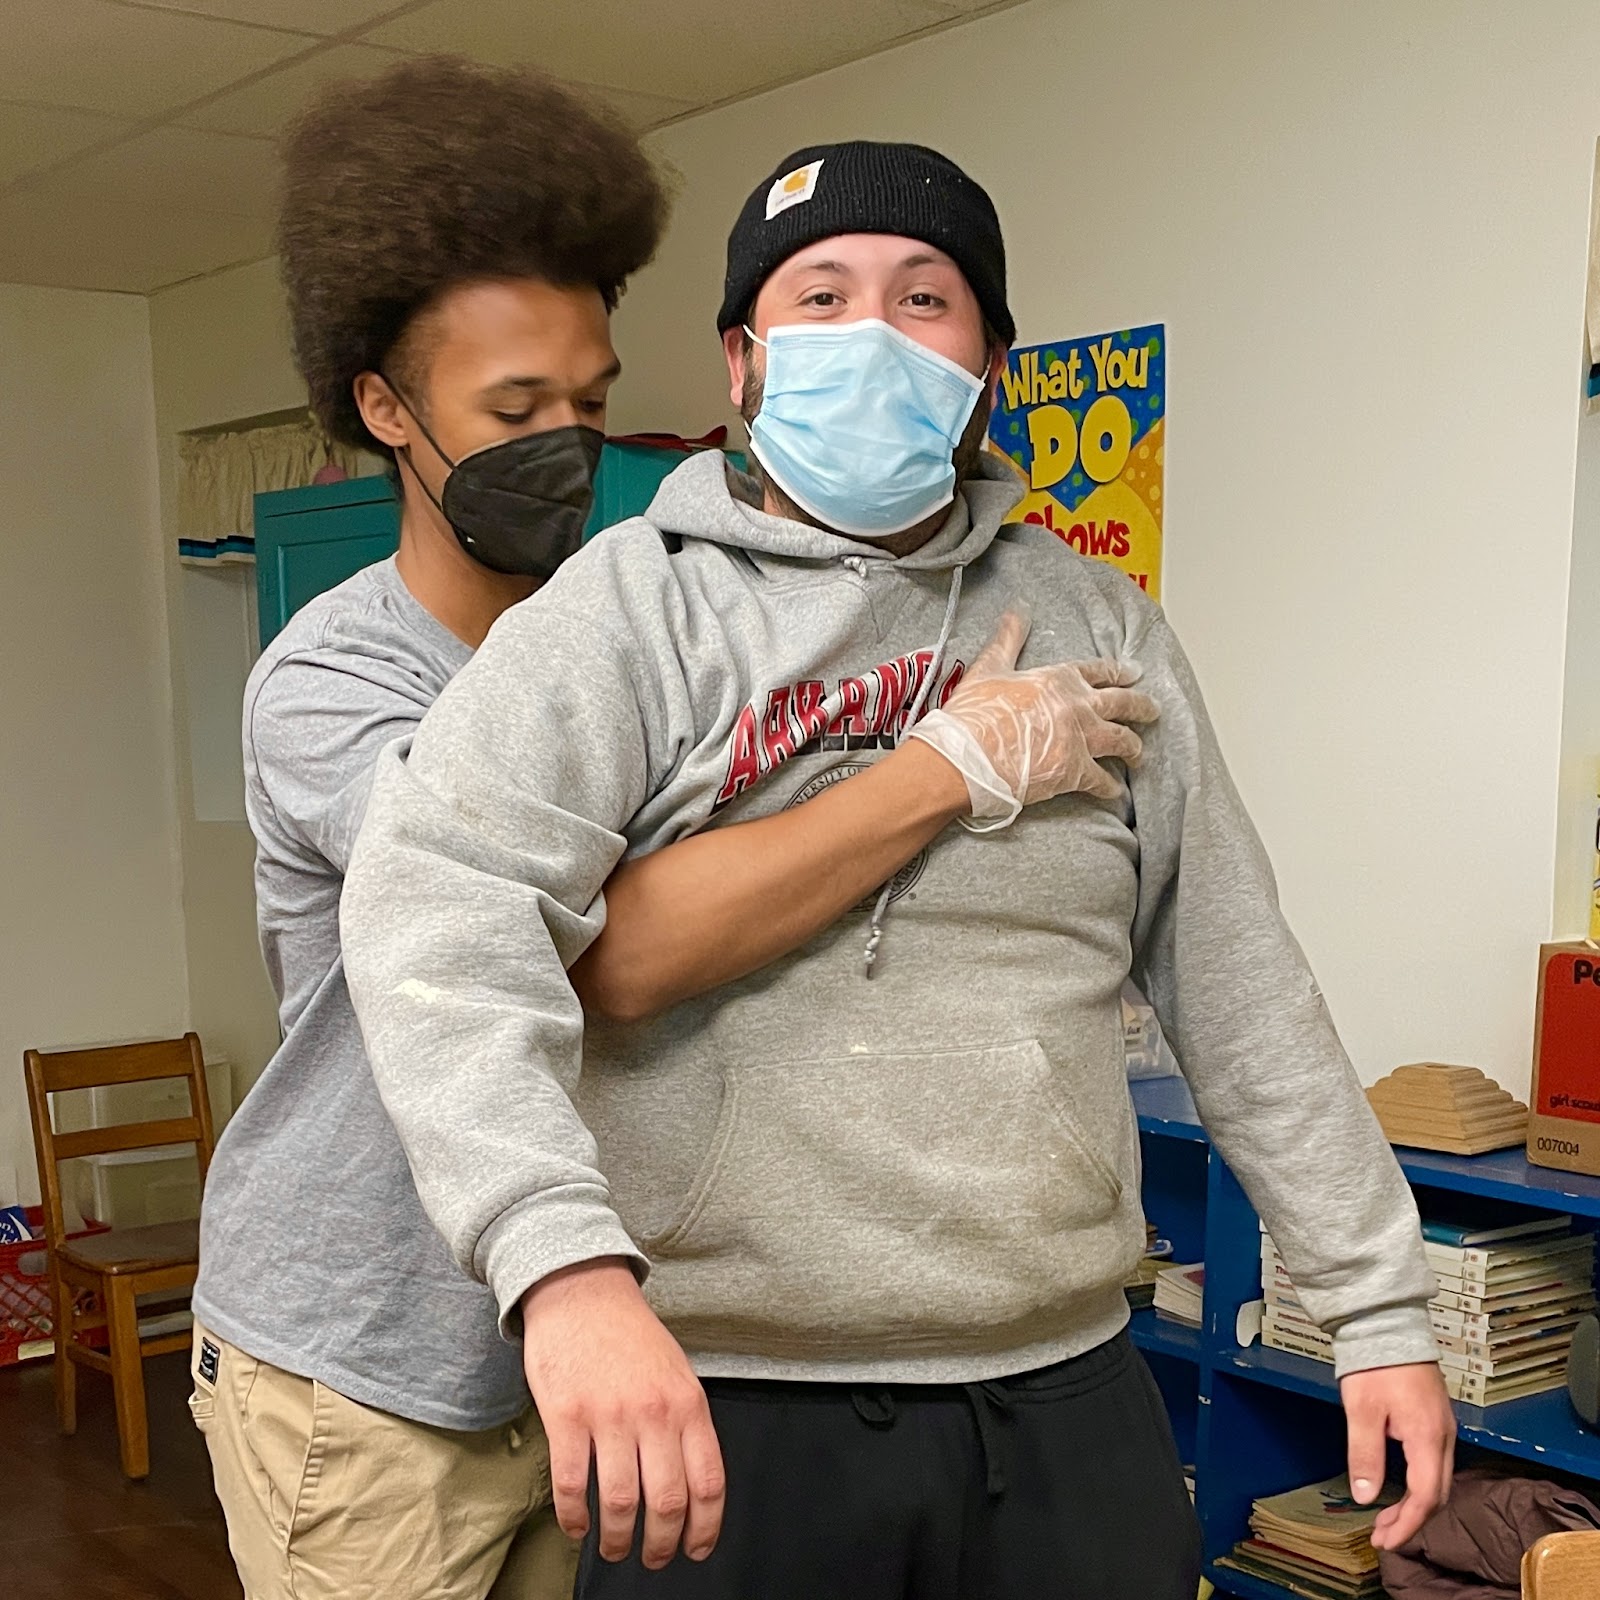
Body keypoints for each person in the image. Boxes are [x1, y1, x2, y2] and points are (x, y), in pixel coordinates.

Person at [340, 140, 1455, 1600]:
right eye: (820, 298)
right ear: (743, 362)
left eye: (925, 297)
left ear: (990, 360)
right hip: (731, 1404)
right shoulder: (627, 615)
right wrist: (560, 1270)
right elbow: (440, 918)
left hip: (1066, 1390)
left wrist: (1377, 1306)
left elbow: (1237, 976)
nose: (870, 333)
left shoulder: (1101, 623)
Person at [191, 72, 1153, 1600]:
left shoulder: (646, 634)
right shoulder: (336, 683)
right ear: (386, 410)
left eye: (587, 403)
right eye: (515, 412)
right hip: (387, 1361)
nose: (567, 443)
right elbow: (601, 951)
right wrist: (943, 770)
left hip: (634, 1350)